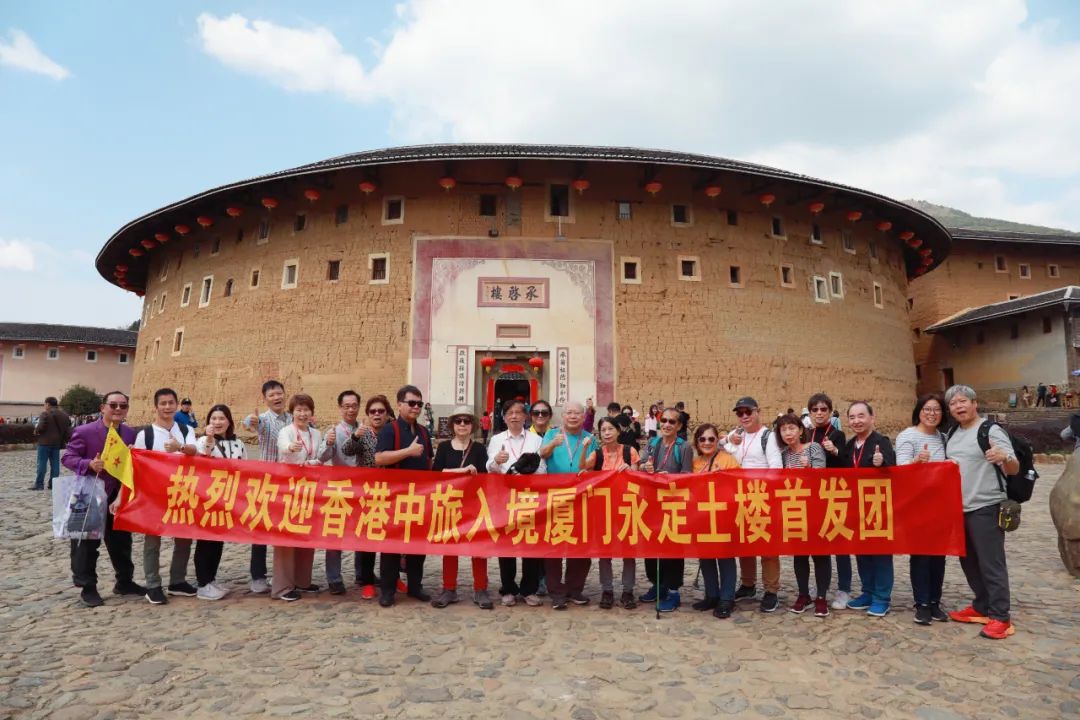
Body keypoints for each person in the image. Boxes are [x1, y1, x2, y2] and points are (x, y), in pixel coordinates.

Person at [944, 385, 1018, 639]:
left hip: (986, 505)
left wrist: (1004, 457)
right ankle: (981, 606)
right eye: (953, 403)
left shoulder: (990, 430)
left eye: (963, 401)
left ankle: (1001, 616)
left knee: (991, 563)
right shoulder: (952, 432)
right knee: (969, 561)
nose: (958, 406)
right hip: (959, 508)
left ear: (975, 403)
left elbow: (1013, 468)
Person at [61, 391, 145, 607]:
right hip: (88, 493)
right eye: (113, 405)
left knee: (121, 542)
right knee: (85, 545)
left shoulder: (130, 434)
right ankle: (88, 587)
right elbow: (68, 457)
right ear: (103, 408)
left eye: (123, 406)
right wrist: (88, 464)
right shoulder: (84, 431)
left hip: (118, 496)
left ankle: (124, 582)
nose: (118, 409)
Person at [133, 387, 199, 605]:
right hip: (154, 494)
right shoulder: (146, 434)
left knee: (183, 539)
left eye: (171, 403)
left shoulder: (185, 429)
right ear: (156, 406)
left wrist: (178, 447)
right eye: (163, 403)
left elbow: (194, 451)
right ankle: (153, 585)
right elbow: (138, 466)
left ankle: (177, 580)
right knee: (153, 542)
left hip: (182, 491)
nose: (167, 407)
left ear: (176, 404)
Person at [374, 385, 434, 607]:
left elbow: (429, 461)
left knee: (417, 546)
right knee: (391, 546)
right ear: (399, 405)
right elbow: (379, 458)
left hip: (420, 497)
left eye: (419, 403)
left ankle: (415, 586)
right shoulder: (390, 430)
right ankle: (388, 590)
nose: (416, 407)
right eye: (411, 403)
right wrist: (408, 452)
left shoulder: (424, 432)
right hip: (395, 496)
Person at [431, 405, 494, 610]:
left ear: (473, 425)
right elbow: (436, 473)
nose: (462, 425)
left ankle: (480, 588)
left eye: (466, 421)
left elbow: (484, 476)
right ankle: (449, 588)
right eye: (458, 421)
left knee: (478, 547)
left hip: (474, 503)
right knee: (450, 547)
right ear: (452, 425)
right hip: (450, 503)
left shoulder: (479, 449)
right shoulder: (444, 448)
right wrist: (462, 470)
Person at [723, 396, 783, 612]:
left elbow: (776, 469)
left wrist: (756, 484)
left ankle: (771, 590)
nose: (745, 416)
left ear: (758, 411)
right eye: (740, 413)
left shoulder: (768, 437)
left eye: (748, 411)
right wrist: (731, 436)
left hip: (762, 499)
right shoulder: (737, 437)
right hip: (739, 499)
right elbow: (720, 447)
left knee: (767, 547)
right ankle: (748, 584)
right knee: (744, 544)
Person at [895, 393, 949, 625]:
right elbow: (901, 469)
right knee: (921, 555)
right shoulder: (908, 436)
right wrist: (918, 460)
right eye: (927, 409)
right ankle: (922, 603)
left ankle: (935, 601)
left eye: (936, 410)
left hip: (941, 505)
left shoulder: (944, 438)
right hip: (917, 505)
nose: (932, 413)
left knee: (939, 557)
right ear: (919, 411)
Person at [487, 399, 546, 606]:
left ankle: (529, 589)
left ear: (525, 416)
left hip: (530, 497)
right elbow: (489, 468)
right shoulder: (496, 440)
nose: (514, 416)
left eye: (518, 412)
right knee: (507, 545)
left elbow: (542, 468)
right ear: (503, 417)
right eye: (509, 413)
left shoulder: (535, 440)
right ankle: (508, 588)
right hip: (505, 498)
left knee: (530, 543)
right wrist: (497, 462)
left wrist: (527, 472)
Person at [842, 401, 896, 617]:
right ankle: (868, 591)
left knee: (880, 553)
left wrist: (881, 462)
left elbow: (892, 467)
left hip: (877, 505)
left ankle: (882, 597)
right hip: (856, 506)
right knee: (862, 552)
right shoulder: (850, 444)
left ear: (872, 418)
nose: (857, 421)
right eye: (853, 417)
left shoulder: (880, 441)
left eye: (861, 416)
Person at [537, 400, 593, 610]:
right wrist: (553, 444)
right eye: (569, 413)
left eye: (577, 413)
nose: (573, 416)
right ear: (562, 416)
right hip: (555, 498)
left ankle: (574, 588)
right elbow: (542, 454)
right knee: (554, 546)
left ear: (583, 416)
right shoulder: (551, 434)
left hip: (581, 499)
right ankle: (556, 592)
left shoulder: (589, 438)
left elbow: (591, 465)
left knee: (580, 544)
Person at [318, 390, 375, 595]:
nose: (351, 409)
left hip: (362, 488)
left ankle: (362, 574)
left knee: (363, 531)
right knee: (335, 534)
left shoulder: (365, 429)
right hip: (340, 488)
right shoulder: (334, 431)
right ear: (340, 408)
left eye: (354, 405)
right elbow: (322, 457)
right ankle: (334, 578)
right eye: (346, 406)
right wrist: (329, 443)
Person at [581, 416, 640, 609]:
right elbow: (583, 468)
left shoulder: (630, 451)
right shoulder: (597, 454)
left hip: (627, 508)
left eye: (610, 429)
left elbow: (638, 478)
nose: (606, 433)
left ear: (618, 431)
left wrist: (630, 469)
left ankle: (628, 590)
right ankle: (607, 590)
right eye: (603, 430)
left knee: (628, 551)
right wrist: (584, 448)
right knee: (604, 552)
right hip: (603, 509)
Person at [775, 413, 831, 618]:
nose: (788, 433)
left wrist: (809, 468)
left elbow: (822, 476)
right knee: (800, 555)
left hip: (816, 508)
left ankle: (822, 597)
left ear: (800, 430)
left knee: (820, 554)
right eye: (783, 430)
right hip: (795, 509)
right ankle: (804, 594)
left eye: (791, 428)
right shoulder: (783, 455)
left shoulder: (813, 448)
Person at [639, 407, 693, 612]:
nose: (667, 425)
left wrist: (667, 478)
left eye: (672, 422)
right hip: (652, 504)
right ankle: (657, 584)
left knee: (672, 550)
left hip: (673, 505)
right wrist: (646, 468)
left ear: (679, 426)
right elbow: (642, 464)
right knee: (651, 548)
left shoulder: (684, 447)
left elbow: (688, 476)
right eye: (664, 421)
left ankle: (673, 591)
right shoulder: (653, 443)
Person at [271, 393, 322, 602]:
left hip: (309, 489)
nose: (302, 413)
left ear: (311, 413)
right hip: (288, 489)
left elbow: (316, 455)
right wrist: (291, 448)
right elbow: (284, 447)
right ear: (293, 413)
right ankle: (283, 586)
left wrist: (315, 461)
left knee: (306, 534)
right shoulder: (286, 431)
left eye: (306, 409)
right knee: (286, 538)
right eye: (299, 410)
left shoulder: (316, 434)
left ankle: (303, 580)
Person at [242, 379, 291, 594]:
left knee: (286, 528)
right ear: (265, 399)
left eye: (279, 393)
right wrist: (249, 420)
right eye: (272, 395)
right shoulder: (263, 419)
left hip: (289, 482)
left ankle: (283, 575)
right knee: (261, 529)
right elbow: (250, 423)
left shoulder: (292, 418)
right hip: (267, 481)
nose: (277, 397)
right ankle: (258, 576)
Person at [686, 423, 740, 619]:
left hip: (724, 515)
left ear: (717, 441)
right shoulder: (695, 463)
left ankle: (727, 598)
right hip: (702, 516)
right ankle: (711, 594)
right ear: (697, 442)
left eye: (711, 439)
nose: (707, 443)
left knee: (725, 557)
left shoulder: (728, 460)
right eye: (702, 439)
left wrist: (722, 478)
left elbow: (738, 488)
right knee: (706, 556)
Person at [194, 404, 246, 601]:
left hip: (229, 498)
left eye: (221, 418)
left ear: (229, 421)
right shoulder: (203, 441)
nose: (217, 422)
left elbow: (246, 468)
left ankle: (211, 578)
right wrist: (209, 438)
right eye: (213, 419)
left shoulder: (238, 443)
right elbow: (205, 453)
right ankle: (202, 583)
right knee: (205, 540)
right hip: (209, 497)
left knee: (217, 541)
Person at [342, 394, 390, 598]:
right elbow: (346, 450)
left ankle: (390, 577)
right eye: (373, 411)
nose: (377, 415)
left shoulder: (392, 432)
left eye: (381, 411)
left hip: (392, 493)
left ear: (387, 414)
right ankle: (367, 579)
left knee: (389, 538)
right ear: (368, 415)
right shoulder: (363, 433)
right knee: (368, 538)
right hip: (368, 493)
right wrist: (355, 436)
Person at [807, 393, 852, 610]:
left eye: (823, 409)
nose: (819, 413)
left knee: (840, 542)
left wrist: (834, 451)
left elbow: (845, 463)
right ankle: (821, 584)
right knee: (818, 543)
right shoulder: (807, 434)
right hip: (813, 496)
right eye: (815, 410)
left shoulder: (838, 434)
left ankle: (844, 588)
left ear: (830, 412)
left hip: (834, 494)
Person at [32, 396, 71, 491]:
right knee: (55, 465)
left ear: (48, 404)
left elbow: (41, 427)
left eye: (45, 404)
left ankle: (39, 484)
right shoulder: (64, 415)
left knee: (41, 464)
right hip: (57, 443)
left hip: (44, 443)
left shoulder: (45, 414)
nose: (44, 406)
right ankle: (53, 484)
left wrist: (36, 430)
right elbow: (68, 429)